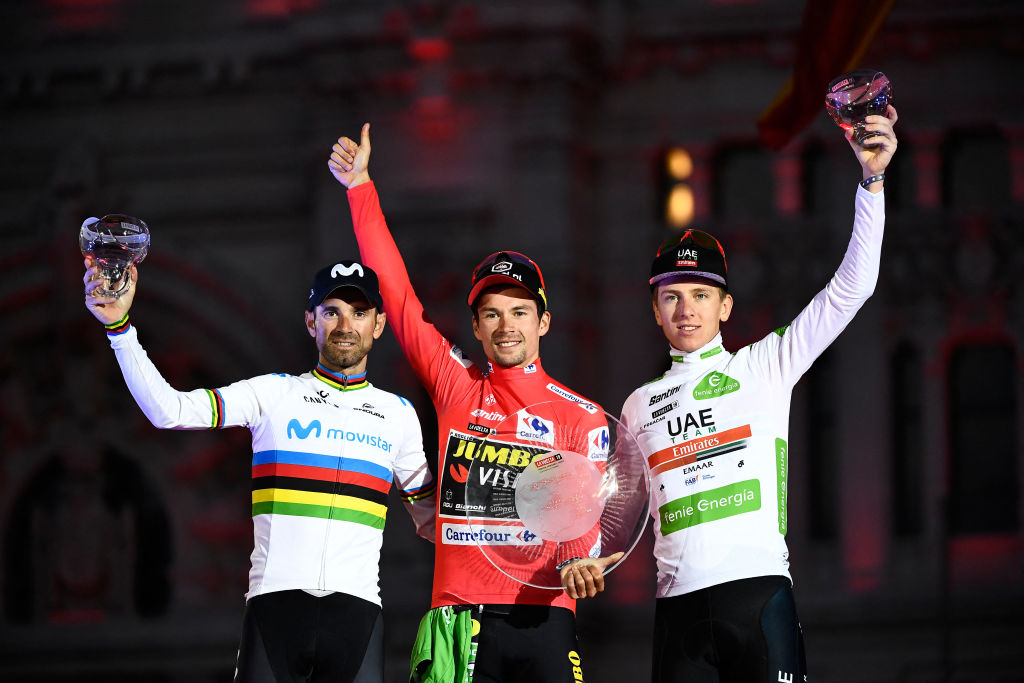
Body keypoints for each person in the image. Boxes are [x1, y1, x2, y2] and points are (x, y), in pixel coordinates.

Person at [328, 124, 621, 683]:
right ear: (477, 327)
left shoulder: (580, 414)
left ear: (544, 322)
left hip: (546, 618)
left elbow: (588, 523)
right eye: (491, 313)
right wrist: (360, 186)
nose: (506, 325)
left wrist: (582, 563)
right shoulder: (456, 383)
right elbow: (397, 295)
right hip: (460, 618)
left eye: (518, 311)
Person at [618, 106, 899, 683]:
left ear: (726, 307)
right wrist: (587, 555)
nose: (686, 308)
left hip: (760, 600)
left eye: (701, 294)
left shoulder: (766, 364)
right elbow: (620, 515)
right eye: (672, 296)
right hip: (676, 614)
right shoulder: (638, 405)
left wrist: (871, 181)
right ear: (655, 311)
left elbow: (854, 288)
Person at [84, 256, 436, 683]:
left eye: (359, 313)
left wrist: (512, 515)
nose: (346, 325)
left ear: (378, 324)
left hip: (358, 616)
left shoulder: (398, 414)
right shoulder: (272, 393)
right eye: (332, 312)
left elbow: (430, 520)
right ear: (311, 321)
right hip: (275, 610)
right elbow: (169, 410)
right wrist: (120, 330)